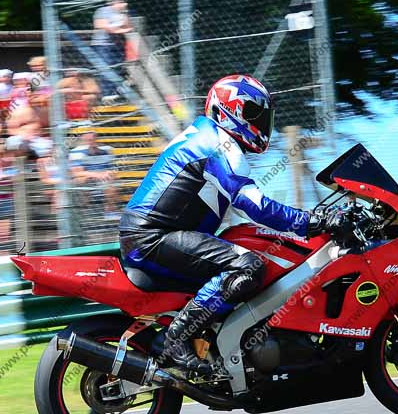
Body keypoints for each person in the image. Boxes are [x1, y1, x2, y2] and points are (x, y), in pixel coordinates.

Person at [119, 75, 328, 375]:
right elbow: (254, 205)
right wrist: (311, 222)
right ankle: (175, 339)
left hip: (149, 233)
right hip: (154, 236)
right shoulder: (219, 144)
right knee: (249, 267)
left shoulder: (206, 135)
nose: (262, 122)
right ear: (230, 110)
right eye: (255, 114)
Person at [92, 0, 132, 101]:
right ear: (114, 1)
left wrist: (123, 16)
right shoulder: (103, 11)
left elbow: (129, 27)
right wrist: (117, 29)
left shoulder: (123, 13)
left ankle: (118, 93)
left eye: (123, 0)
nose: (124, 3)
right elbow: (101, 25)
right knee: (106, 68)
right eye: (121, 1)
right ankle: (107, 94)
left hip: (118, 45)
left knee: (119, 69)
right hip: (103, 45)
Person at [69, 131, 118, 215]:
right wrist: (96, 175)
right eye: (88, 139)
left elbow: (112, 168)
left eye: (93, 139)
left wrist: (108, 173)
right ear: (82, 138)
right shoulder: (76, 152)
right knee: (81, 180)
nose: (91, 141)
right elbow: (76, 173)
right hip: (87, 177)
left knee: (110, 180)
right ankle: (84, 211)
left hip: (102, 177)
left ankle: (110, 211)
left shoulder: (106, 150)